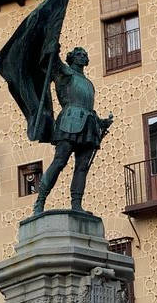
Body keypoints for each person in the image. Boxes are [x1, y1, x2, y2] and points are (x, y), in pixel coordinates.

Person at [33, 44, 112, 215]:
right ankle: (40, 201)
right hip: (69, 122)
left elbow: (89, 107)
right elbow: (52, 60)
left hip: (89, 124)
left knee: (82, 167)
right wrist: (53, 45)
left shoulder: (89, 84)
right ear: (72, 58)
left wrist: (101, 122)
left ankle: (76, 204)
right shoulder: (64, 73)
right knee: (60, 161)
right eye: (79, 54)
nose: (83, 56)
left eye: (85, 54)